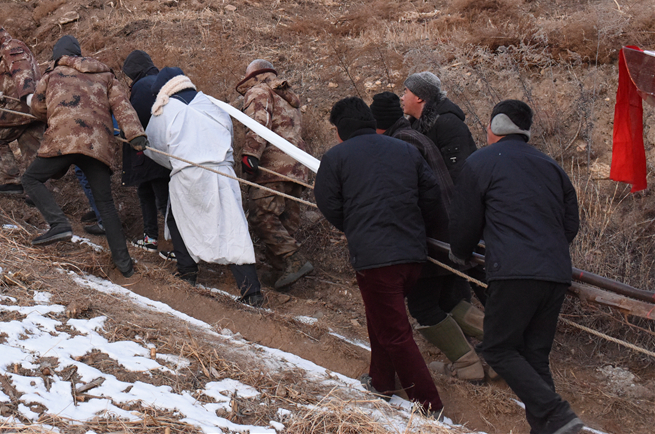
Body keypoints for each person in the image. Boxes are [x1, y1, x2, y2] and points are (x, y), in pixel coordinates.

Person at [450, 100, 583, 434]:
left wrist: (460, 253)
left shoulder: (480, 162)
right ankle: (550, 428)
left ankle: (558, 413)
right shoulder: (551, 165)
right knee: (534, 355)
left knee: (497, 348)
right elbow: (571, 224)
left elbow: (465, 221)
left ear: (495, 126)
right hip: (554, 272)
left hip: (513, 270)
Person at [313, 96, 445, 416]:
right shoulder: (406, 150)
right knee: (382, 319)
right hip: (414, 255)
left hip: (376, 259)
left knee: (395, 333)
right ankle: (381, 382)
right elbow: (432, 196)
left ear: (341, 129)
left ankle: (430, 407)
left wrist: (355, 226)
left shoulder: (336, 157)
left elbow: (328, 203)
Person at [371, 91, 485, 382]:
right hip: (448, 231)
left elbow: (410, 197)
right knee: (447, 302)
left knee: (423, 306)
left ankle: (469, 364)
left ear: (378, 125)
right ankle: (506, 344)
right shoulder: (413, 136)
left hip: (431, 236)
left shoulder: (401, 144)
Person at [21, 35, 145, 279]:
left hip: (62, 140)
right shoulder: (105, 75)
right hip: (97, 144)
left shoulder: (52, 75)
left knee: (31, 180)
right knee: (105, 204)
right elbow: (122, 106)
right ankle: (125, 265)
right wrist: (136, 135)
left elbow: (37, 108)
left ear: (59, 56)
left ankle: (59, 224)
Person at [143, 67, 264, 306]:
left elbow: (154, 148)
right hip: (223, 173)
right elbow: (228, 135)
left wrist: (178, 161)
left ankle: (187, 273)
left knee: (178, 220)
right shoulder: (212, 104)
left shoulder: (163, 110)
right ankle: (251, 292)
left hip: (189, 176)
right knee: (232, 228)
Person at [236, 59, 313, 290]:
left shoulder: (258, 90)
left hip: (272, 168)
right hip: (297, 170)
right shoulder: (288, 97)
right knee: (285, 224)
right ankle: (279, 274)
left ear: (253, 75)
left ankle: (293, 259)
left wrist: (250, 154)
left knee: (262, 217)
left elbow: (258, 123)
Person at [0, 22, 45, 194]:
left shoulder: (11, 47)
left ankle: (12, 181)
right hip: (32, 106)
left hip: (22, 105)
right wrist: (2, 93)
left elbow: (22, 73)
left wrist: (27, 96)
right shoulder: (8, 50)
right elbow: (14, 78)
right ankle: (36, 191)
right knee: (30, 147)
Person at [120, 50, 172, 253]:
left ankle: (175, 245)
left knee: (160, 198)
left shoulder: (143, 85)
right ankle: (154, 238)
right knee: (151, 193)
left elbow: (138, 117)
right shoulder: (162, 82)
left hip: (149, 150)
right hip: (162, 149)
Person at [400, 71, 477, 183]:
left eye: (406, 92)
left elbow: (459, 172)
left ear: (419, 97)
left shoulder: (448, 124)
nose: (402, 98)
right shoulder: (414, 125)